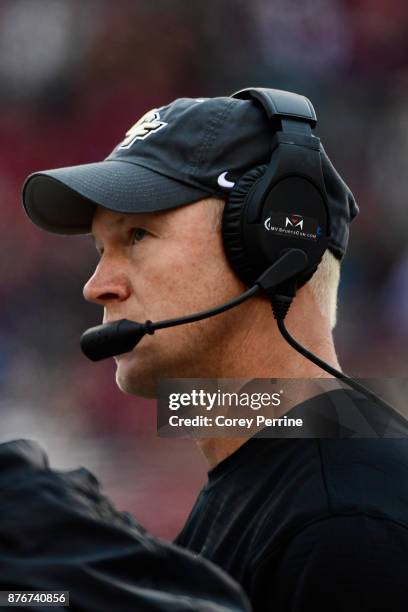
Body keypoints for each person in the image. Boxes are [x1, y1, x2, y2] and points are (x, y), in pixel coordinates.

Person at [22, 89, 408, 611]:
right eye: (99, 250)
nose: (97, 286)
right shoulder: (267, 478)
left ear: (272, 243)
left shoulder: (343, 522)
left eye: (137, 234)